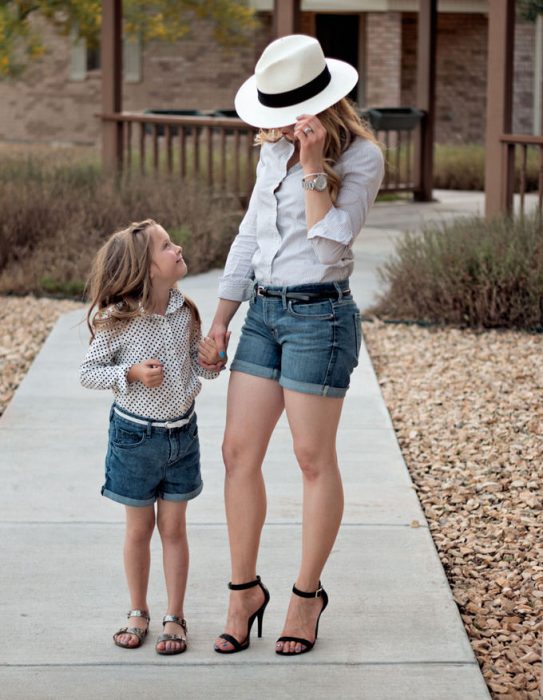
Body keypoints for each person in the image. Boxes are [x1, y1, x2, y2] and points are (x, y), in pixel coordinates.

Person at [199, 34, 385, 656]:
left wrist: (311, 169)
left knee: (311, 458)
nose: (276, 125)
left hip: (320, 318)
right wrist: (223, 318)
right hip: (264, 314)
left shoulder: (362, 158)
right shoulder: (270, 152)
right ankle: (243, 591)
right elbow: (250, 237)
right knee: (236, 453)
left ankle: (307, 596)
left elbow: (330, 244)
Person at [80, 219, 221, 655]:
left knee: (174, 529)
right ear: (146, 269)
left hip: (182, 436)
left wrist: (214, 360)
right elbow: (89, 373)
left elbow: (198, 371)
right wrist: (132, 373)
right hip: (134, 439)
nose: (177, 248)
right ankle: (138, 610)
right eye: (165, 246)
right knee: (139, 529)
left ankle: (175, 616)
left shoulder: (186, 312)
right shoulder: (118, 319)